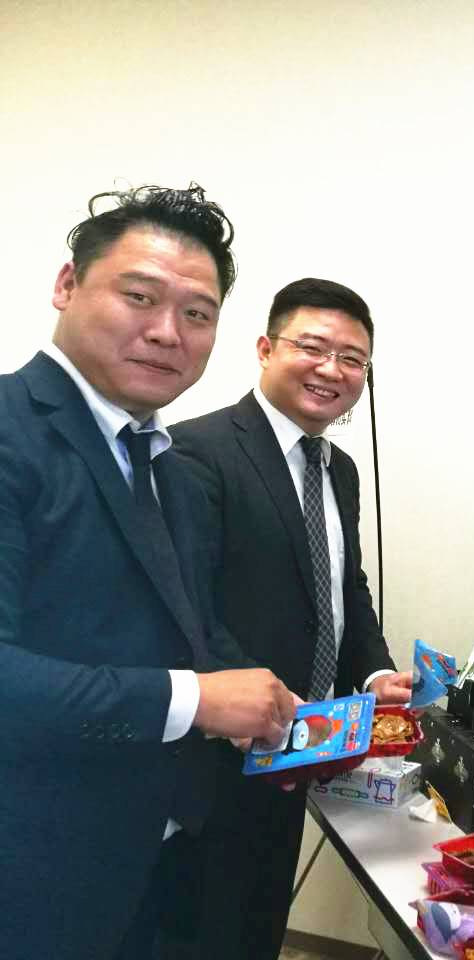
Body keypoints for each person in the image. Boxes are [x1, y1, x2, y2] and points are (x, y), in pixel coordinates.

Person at [0, 184, 297, 959]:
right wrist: (196, 699)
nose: (167, 333)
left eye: (197, 314)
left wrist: (275, 710)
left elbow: (186, 624)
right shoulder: (10, 432)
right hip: (27, 870)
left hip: (144, 858)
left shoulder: (165, 463)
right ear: (67, 285)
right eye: (139, 297)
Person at [170, 278, 410, 960]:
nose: (332, 369)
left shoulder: (340, 470)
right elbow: (187, 607)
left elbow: (344, 587)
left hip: (305, 746)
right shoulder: (196, 451)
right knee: (202, 931)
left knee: (262, 921)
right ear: (265, 348)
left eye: (353, 358)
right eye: (313, 347)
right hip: (216, 755)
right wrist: (263, 704)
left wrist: (377, 674)